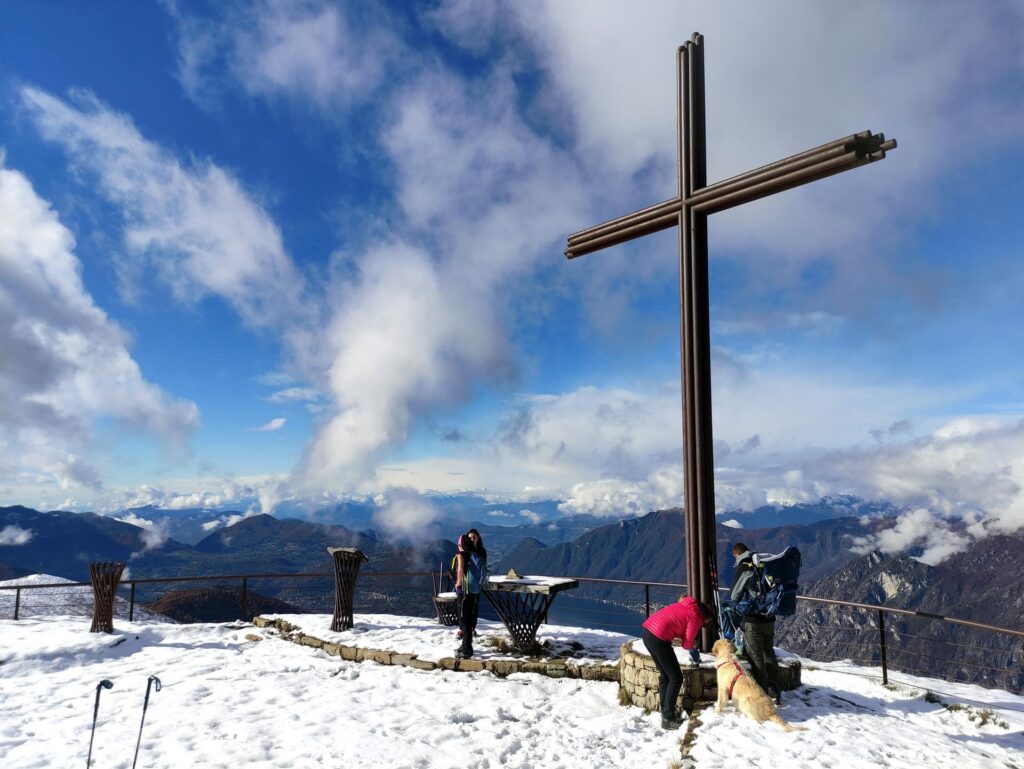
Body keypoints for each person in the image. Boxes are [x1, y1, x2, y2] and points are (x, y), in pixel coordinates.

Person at [641, 595, 711, 730]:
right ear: (707, 617)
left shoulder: (688, 605)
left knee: (666, 675)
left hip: (648, 632)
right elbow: (687, 644)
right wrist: (694, 643)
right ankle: (668, 718)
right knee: (676, 677)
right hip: (659, 638)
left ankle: (666, 711)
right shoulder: (697, 617)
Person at [730, 542, 781, 704]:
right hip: (769, 617)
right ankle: (775, 691)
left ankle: (762, 695)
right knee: (769, 653)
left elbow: (734, 595)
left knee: (755, 657)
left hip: (752, 620)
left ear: (736, 554)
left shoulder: (744, 567)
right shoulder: (764, 563)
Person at [455, 533, 485, 659]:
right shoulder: (475, 554)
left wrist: (458, 585)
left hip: (465, 590)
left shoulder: (461, 555)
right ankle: (465, 645)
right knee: (469, 617)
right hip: (475, 590)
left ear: (460, 544)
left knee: (464, 619)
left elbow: (461, 570)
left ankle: (467, 649)